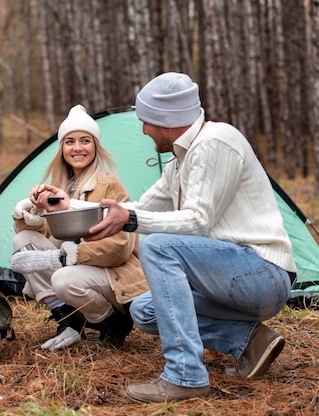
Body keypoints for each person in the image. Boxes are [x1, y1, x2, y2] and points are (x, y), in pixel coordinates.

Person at [48, 72, 295, 402]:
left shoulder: (215, 143)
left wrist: (131, 220)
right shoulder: (181, 161)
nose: (144, 130)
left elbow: (197, 221)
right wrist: (68, 204)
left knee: (158, 246)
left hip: (262, 274)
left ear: (165, 120)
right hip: (228, 276)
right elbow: (135, 207)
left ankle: (185, 376)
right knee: (146, 310)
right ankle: (247, 340)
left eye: (146, 121)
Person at [8, 104, 148, 352]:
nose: (77, 148)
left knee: (63, 277)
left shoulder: (109, 185)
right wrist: (34, 212)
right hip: (77, 272)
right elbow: (52, 236)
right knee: (24, 241)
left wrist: (64, 257)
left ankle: (113, 322)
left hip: (112, 276)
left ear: (95, 146)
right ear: (62, 148)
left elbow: (120, 248)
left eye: (85, 140)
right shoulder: (60, 185)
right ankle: (69, 321)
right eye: (70, 141)